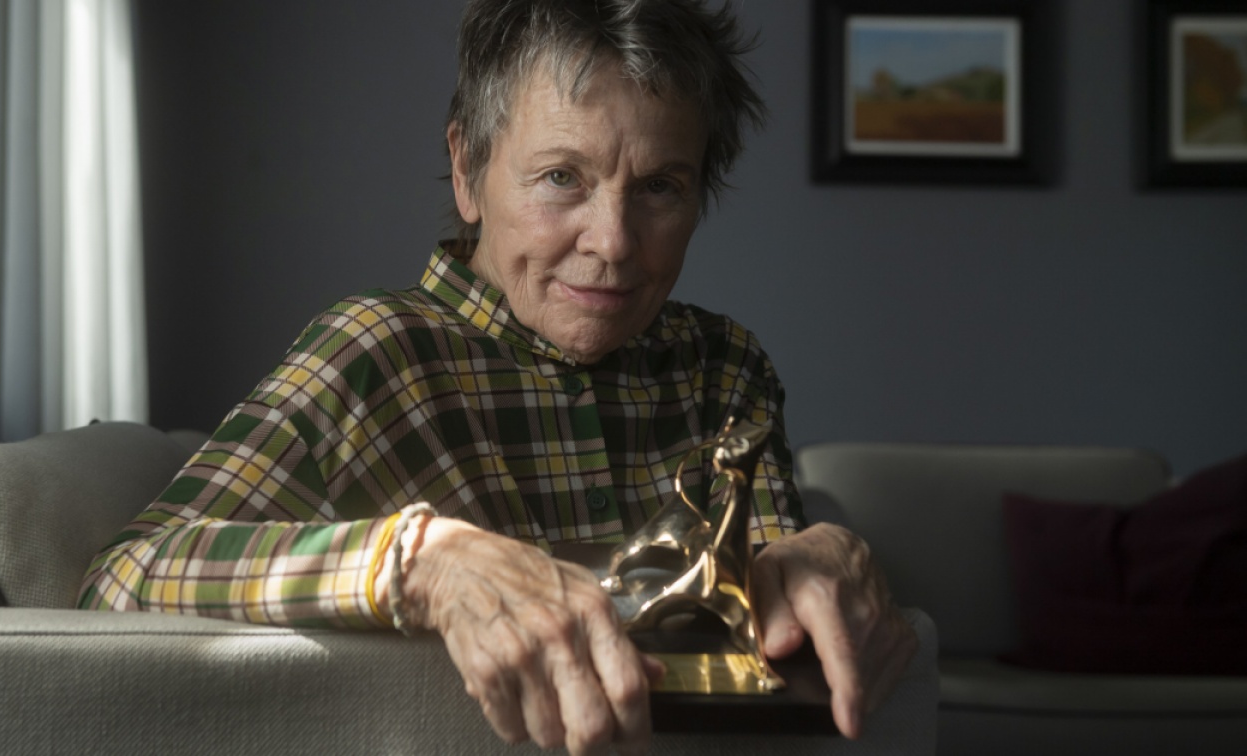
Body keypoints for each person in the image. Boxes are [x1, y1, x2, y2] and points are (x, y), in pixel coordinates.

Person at [80, 1, 917, 753]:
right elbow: (123, 579)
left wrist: (820, 557)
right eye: (562, 178)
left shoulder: (723, 366)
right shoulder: (375, 354)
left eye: (661, 186)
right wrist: (421, 560)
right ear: (467, 169)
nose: (613, 241)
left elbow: (781, 626)